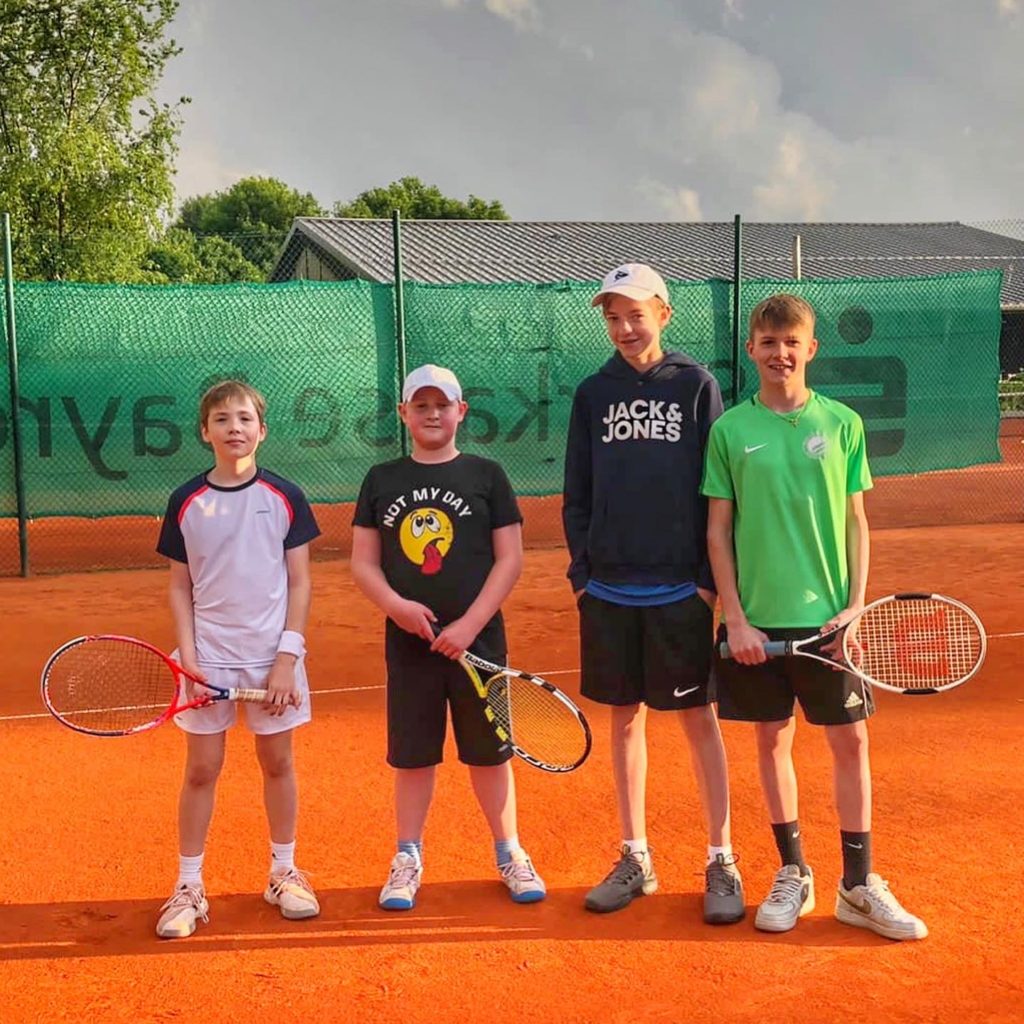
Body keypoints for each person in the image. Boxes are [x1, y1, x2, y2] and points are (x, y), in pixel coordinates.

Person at [702, 293, 927, 941]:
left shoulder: (844, 424)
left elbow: (858, 521)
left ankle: (857, 884)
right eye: (767, 342)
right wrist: (736, 621)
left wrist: (855, 608)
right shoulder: (729, 431)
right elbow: (718, 533)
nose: (779, 353)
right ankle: (793, 872)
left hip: (831, 623)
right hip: (756, 624)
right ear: (751, 350)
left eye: (790, 342)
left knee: (850, 741)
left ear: (811, 349)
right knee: (772, 741)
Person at [562, 263, 743, 924]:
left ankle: (721, 856)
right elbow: (576, 491)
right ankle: (635, 855)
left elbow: (716, 488)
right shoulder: (592, 393)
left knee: (700, 720)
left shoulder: (696, 386)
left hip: (679, 588)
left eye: (636, 314)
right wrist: (584, 575)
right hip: (609, 587)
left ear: (664, 314)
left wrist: (705, 582)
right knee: (625, 717)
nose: (624, 327)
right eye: (612, 316)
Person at [350, 363, 545, 911]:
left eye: (443, 405)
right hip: (409, 644)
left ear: (461, 411)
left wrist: (468, 627)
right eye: (421, 405)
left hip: (478, 644)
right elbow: (364, 564)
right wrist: (396, 606)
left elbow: (509, 560)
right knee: (413, 755)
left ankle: (509, 852)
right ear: (403, 413)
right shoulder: (381, 480)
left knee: (490, 753)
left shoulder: (488, 475)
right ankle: (407, 857)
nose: (432, 414)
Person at [153, 380, 322, 939]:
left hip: (272, 658)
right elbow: (179, 587)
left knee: (278, 764)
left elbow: (299, 582)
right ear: (205, 432)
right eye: (222, 419)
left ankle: (284, 872)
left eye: (245, 418)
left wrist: (285, 659)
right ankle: (188, 886)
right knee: (201, 770)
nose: (234, 428)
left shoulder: (285, 496)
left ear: (262, 429)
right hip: (208, 660)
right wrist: (191, 656)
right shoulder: (186, 501)